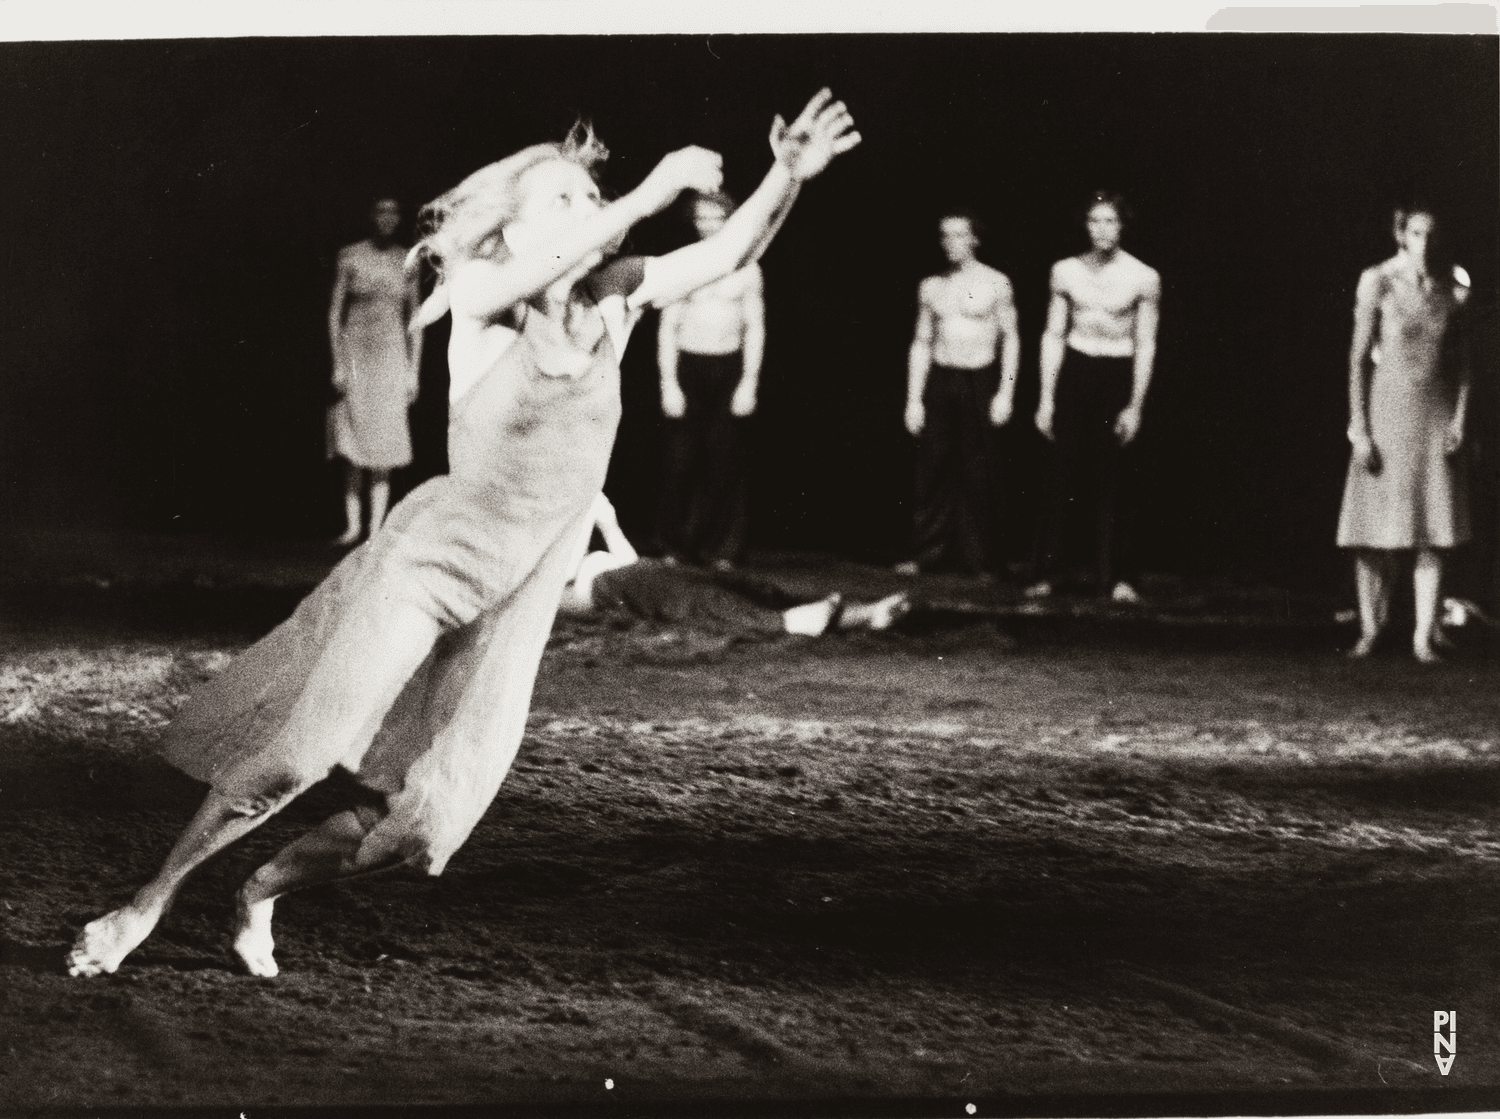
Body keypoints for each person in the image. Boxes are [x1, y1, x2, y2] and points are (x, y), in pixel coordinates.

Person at [68, 90, 860, 980]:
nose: (592, 213)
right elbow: (525, 270)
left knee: (422, 822)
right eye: (565, 201)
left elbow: (728, 250)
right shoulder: (481, 295)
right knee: (293, 757)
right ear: (508, 229)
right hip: (436, 563)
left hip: (520, 592)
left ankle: (261, 891)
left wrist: (785, 178)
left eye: (590, 200)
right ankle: (147, 903)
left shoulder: (616, 299)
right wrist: (645, 195)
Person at [1337, 203, 1472, 662]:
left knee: (1434, 528)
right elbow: (1357, 358)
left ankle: (1421, 635)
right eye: (1416, 233)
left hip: (1434, 413)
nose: (1425, 243)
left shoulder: (1450, 289)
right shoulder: (1377, 280)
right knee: (1373, 526)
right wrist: (1359, 427)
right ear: (1401, 235)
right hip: (1387, 409)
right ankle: (1371, 627)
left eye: (1431, 234)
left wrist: (1459, 419)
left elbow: (1463, 364)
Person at [1029, 190, 1160, 603]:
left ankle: (1118, 578)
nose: (1102, 229)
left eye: (1110, 221)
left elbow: (1146, 342)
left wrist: (1135, 405)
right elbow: (1053, 333)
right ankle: (1048, 573)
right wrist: (1046, 398)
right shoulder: (1065, 271)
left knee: (1116, 478)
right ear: (1085, 225)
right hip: (1076, 370)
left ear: (1122, 226)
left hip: (1118, 373)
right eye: (1094, 221)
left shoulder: (1143, 276)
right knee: (1060, 474)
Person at [563, 494, 911, 637]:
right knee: (699, 599)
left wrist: (609, 525)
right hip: (600, 587)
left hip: (624, 576)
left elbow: (628, 563)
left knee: (733, 585)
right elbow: (563, 581)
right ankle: (787, 622)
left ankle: (865, 614)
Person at [896, 209, 1019, 578]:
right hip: (941, 378)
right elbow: (920, 342)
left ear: (974, 239)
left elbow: (1011, 338)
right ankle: (927, 554)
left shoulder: (996, 283)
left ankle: (983, 561)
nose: (950, 243)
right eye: (945, 236)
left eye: (958, 235)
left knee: (980, 473)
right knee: (932, 470)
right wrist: (913, 398)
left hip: (979, 378)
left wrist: (1005, 393)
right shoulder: (931, 286)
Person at [653, 191, 765, 570]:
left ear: (729, 219)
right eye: (701, 218)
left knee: (726, 461)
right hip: (689, 366)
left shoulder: (748, 268)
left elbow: (755, 328)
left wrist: (749, 381)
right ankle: (674, 546)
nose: (708, 225)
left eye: (716, 218)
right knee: (679, 461)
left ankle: (724, 550)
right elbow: (667, 328)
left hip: (729, 368)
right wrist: (669, 383)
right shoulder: (684, 264)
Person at [327, 197, 424, 545]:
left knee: (384, 444)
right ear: (371, 216)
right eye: (380, 211)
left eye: (393, 212)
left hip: (391, 358)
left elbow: (416, 319)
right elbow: (334, 314)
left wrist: (414, 371)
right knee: (353, 442)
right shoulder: (350, 255)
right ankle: (353, 527)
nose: (387, 218)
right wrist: (338, 362)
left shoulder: (407, 260)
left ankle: (375, 530)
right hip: (356, 357)